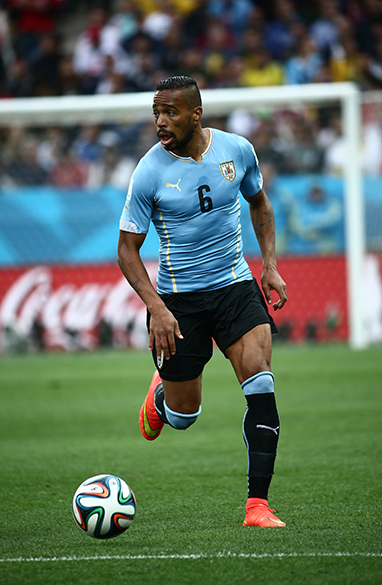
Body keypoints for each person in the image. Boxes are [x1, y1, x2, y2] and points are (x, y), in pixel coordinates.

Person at [117, 75, 288, 527]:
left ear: (196, 114)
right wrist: (156, 307)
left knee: (260, 381)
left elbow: (261, 205)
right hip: (178, 303)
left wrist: (268, 265)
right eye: (156, 113)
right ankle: (160, 398)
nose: (160, 121)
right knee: (184, 416)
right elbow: (126, 248)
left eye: (170, 112)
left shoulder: (237, 150)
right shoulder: (149, 171)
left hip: (234, 287)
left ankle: (258, 506)